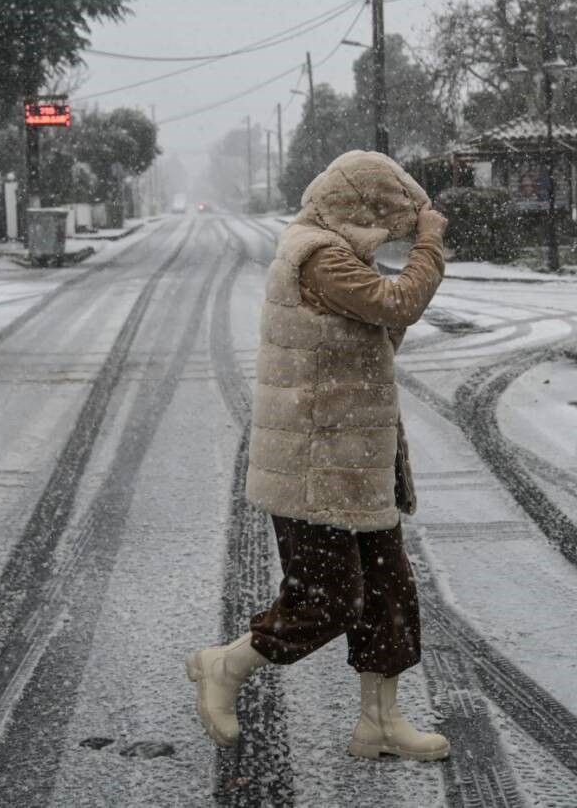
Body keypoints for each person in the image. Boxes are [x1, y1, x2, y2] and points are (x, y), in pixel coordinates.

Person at [186, 149, 450, 762]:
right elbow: (397, 304)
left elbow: (380, 332)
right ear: (358, 208)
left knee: (388, 594)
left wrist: (408, 268)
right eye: (387, 220)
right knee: (326, 599)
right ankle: (226, 665)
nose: (394, 232)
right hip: (315, 466)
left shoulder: (337, 254)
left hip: (358, 459)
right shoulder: (318, 254)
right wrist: (429, 246)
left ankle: (380, 723)